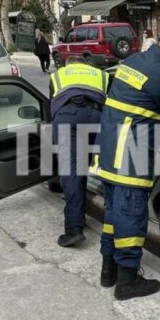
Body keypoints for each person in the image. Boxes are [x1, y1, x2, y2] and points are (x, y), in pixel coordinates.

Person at [95, 26, 160, 300]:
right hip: (131, 156)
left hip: (110, 151)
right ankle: (127, 281)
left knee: (114, 215)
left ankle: (109, 271)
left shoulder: (135, 60)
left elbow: (153, 90)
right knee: (131, 217)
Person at [50, 55, 109, 248]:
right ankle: (116, 222)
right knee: (104, 170)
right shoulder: (101, 75)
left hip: (68, 117)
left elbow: (50, 104)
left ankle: (74, 229)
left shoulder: (59, 74)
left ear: (69, 65)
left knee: (73, 172)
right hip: (97, 117)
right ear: (86, 65)